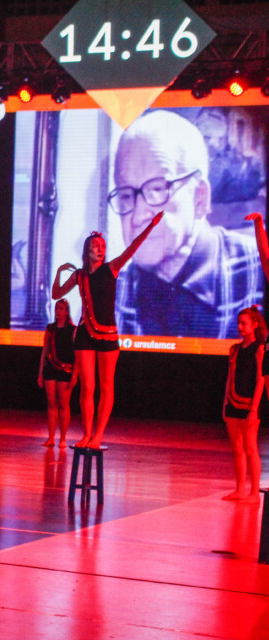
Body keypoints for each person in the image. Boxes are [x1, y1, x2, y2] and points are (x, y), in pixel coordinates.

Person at [111, 110, 262, 339]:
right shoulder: (110, 294)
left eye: (157, 189)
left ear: (200, 198)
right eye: (125, 195)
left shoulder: (259, 272)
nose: (137, 216)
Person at [52, 213, 163, 449]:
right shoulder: (79, 275)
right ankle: (86, 434)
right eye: (95, 245)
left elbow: (132, 248)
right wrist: (60, 271)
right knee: (87, 387)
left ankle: (98, 435)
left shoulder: (111, 268)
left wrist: (150, 225)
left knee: (106, 386)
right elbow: (56, 294)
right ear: (87, 250)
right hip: (85, 334)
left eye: (102, 246)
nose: (100, 249)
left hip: (108, 334)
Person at [221, 306, 265, 504]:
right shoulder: (234, 349)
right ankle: (240, 489)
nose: (240, 327)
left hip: (249, 405)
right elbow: (230, 377)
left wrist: (254, 408)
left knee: (250, 447)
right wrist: (225, 403)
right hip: (233, 402)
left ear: (254, 325)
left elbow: (261, 380)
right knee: (237, 447)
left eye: (243, 323)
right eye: (238, 323)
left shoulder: (260, 349)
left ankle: (254, 493)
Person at [37, 299, 77, 448]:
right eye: (56, 309)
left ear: (67, 312)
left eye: (61, 309)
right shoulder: (50, 328)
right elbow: (45, 351)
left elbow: (77, 355)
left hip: (66, 370)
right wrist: (40, 373)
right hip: (50, 369)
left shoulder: (73, 330)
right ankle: (51, 438)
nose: (58, 312)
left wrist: (75, 375)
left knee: (63, 404)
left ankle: (63, 439)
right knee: (51, 403)